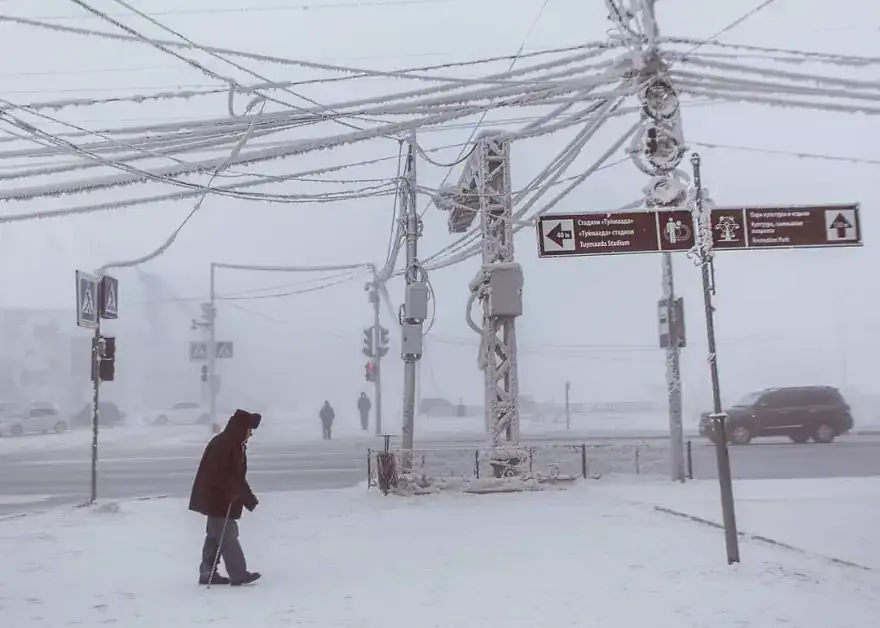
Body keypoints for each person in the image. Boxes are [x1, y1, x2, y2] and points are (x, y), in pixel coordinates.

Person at [189, 409, 263, 586]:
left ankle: (208, 572)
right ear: (241, 428)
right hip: (217, 497)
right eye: (249, 429)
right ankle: (238, 573)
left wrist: (247, 498)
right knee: (228, 534)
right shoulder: (225, 444)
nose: (251, 434)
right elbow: (222, 475)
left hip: (218, 496)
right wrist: (236, 494)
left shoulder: (232, 443)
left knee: (215, 535)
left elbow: (235, 477)